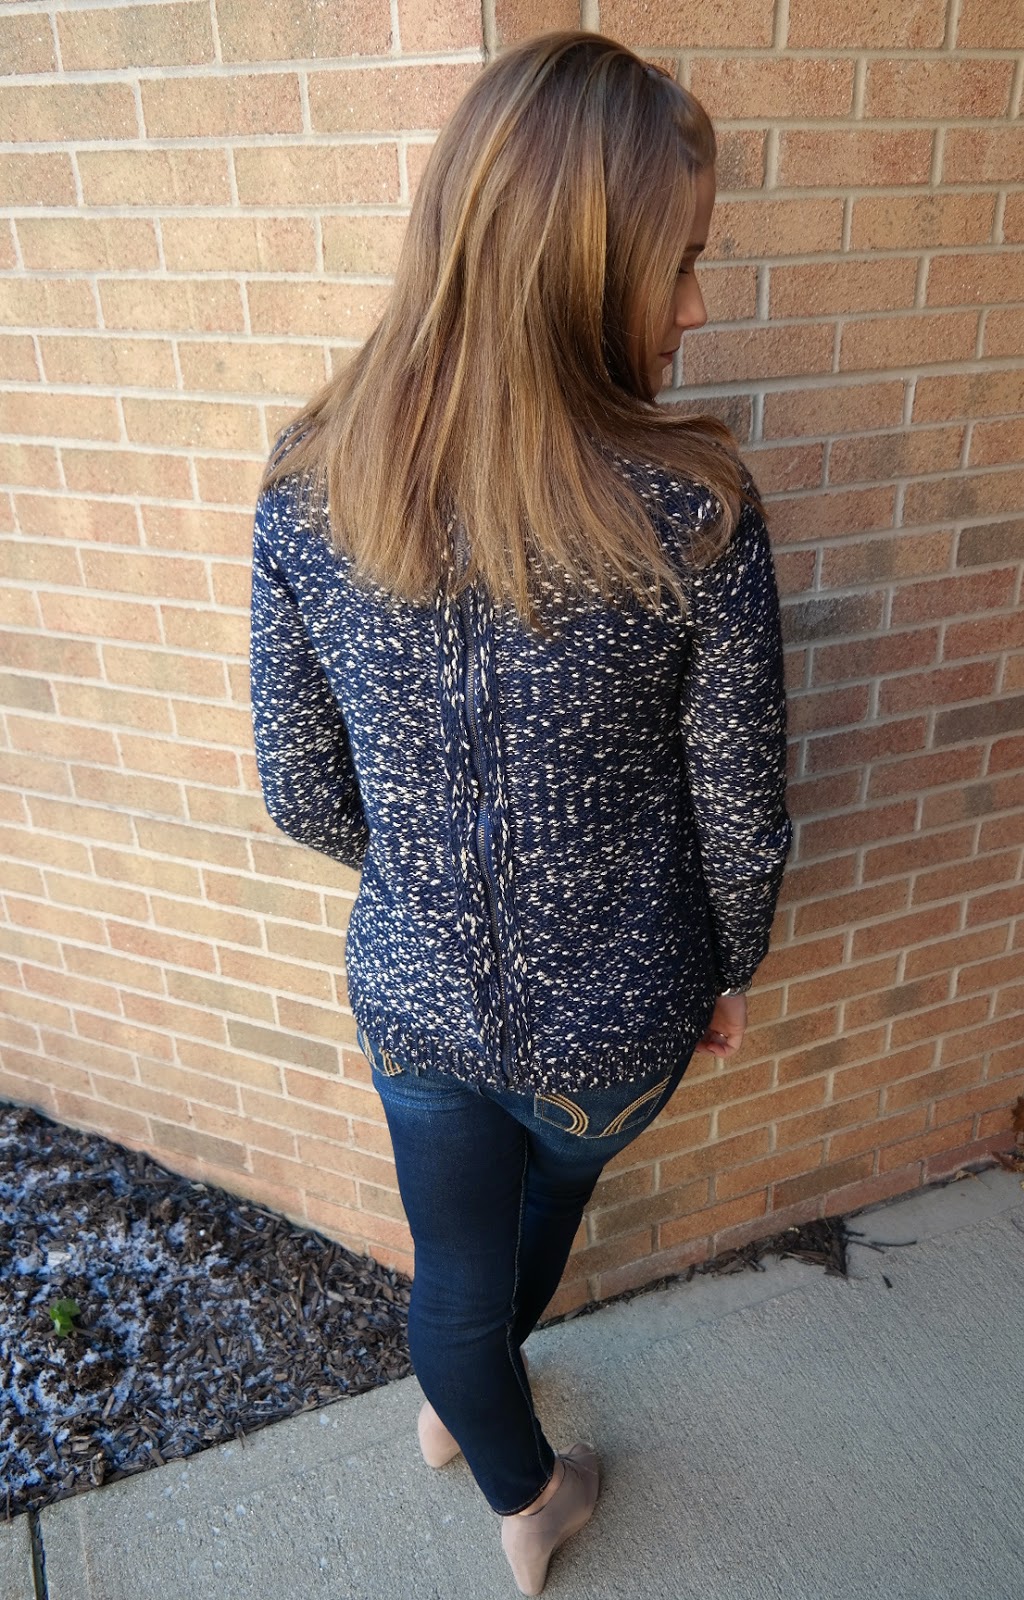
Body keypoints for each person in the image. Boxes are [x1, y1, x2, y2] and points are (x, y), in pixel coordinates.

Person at [248, 28, 793, 1596]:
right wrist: (730, 962)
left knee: (456, 1270)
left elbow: (302, 791)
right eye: (681, 263)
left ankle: (483, 1432)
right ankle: (530, 1492)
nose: (696, 307)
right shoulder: (692, 503)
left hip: (416, 993)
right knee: (533, 1223)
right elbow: (741, 804)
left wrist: (430, 882)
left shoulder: (309, 483)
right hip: (619, 1010)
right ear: (581, 267)